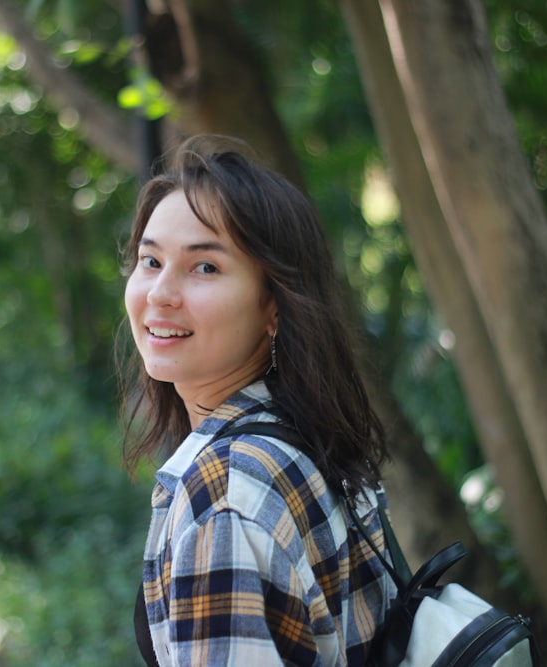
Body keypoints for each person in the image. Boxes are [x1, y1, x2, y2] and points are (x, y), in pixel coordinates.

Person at [120, 134, 392, 666]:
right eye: (150, 261)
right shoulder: (301, 440)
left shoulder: (224, 495)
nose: (160, 294)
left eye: (205, 268)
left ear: (274, 306)